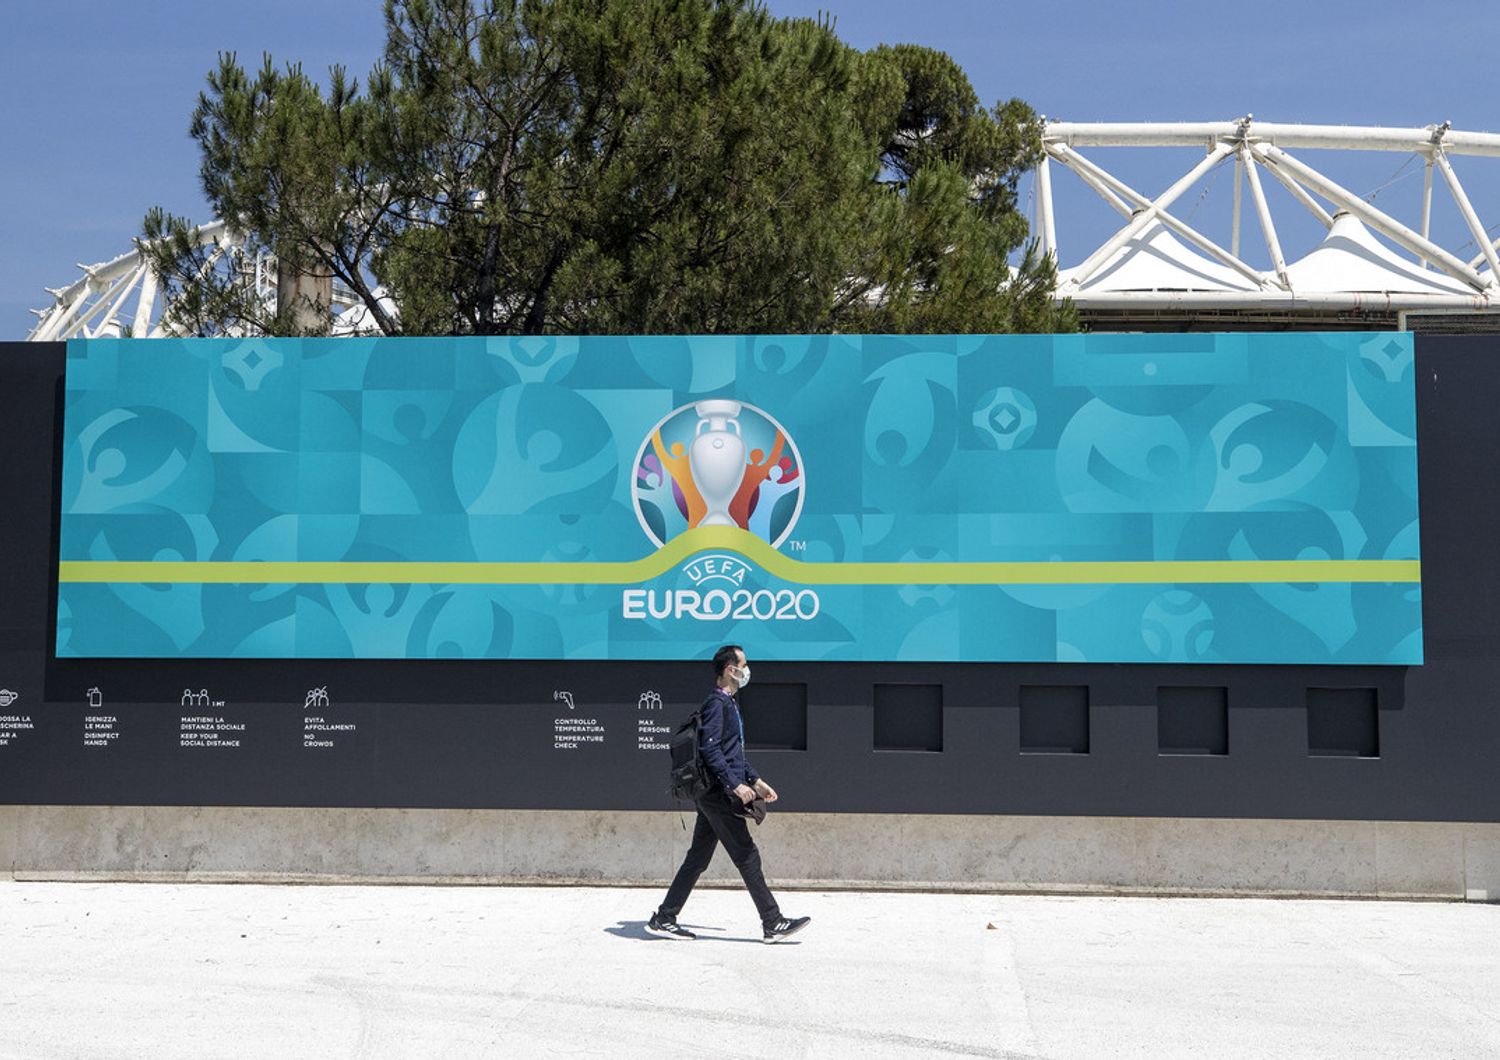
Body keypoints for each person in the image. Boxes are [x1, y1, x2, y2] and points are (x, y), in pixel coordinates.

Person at [648, 644, 810, 944]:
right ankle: (772, 921)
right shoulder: (717, 704)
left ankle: (664, 917)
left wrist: (756, 780)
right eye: (743, 664)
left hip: (712, 793)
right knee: (747, 855)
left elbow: (731, 752)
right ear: (730, 669)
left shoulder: (730, 704)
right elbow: (710, 749)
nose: (747, 670)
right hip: (717, 794)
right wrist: (734, 784)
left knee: (697, 859)